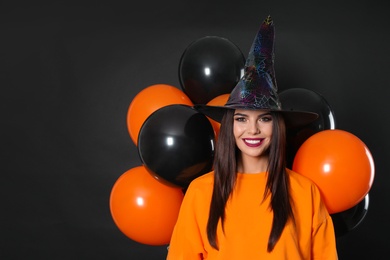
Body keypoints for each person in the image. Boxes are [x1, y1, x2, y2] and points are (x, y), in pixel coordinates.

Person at [167, 15, 338, 259]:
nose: (253, 129)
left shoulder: (305, 192)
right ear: (230, 126)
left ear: (277, 125)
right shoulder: (201, 192)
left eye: (265, 118)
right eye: (241, 119)